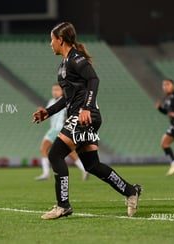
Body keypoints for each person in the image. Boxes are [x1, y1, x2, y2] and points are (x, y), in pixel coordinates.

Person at [32, 22, 142, 220]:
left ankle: (63, 205)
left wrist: (86, 108)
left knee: (55, 154)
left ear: (61, 40)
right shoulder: (64, 65)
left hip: (84, 117)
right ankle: (130, 191)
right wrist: (47, 112)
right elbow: (68, 98)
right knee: (92, 165)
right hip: (85, 116)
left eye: (52, 40)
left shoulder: (76, 59)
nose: (50, 44)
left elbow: (94, 80)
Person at [36, 83, 88, 181]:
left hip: (59, 129)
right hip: (53, 129)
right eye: (53, 90)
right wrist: (42, 111)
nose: (55, 92)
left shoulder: (65, 102)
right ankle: (84, 169)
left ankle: (46, 173)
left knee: (44, 149)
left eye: (57, 90)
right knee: (69, 152)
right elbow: (49, 113)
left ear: (62, 91)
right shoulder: (51, 101)